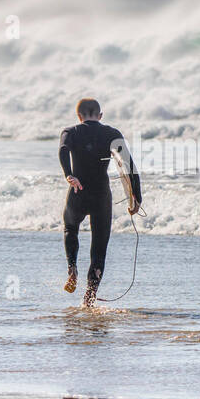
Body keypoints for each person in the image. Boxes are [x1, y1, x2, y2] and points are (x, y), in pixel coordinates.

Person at [58, 98, 142, 306]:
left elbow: (63, 150)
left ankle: (72, 267)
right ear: (100, 115)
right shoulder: (112, 133)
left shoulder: (70, 132)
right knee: (99, 247)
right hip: (101, 195)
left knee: (70, 227)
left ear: (79, 116)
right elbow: (128, 165)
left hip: (77, 191)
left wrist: (69, 175)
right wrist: (136, 198)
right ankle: (89, 297)